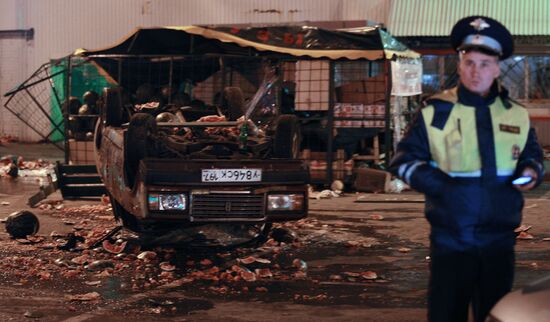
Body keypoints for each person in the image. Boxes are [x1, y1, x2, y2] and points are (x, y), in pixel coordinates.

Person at [389, 16, 545, 322]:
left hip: (499, 243)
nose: (477, 71)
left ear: (497, 67)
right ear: (460, 65)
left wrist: (531, 171)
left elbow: (533, 156)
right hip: (451, 242)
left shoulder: (517, 115)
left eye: (485, 63)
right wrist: (445, 188)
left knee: (497, 315)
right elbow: (403, 162)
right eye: (470, 62)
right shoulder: (437, 111)